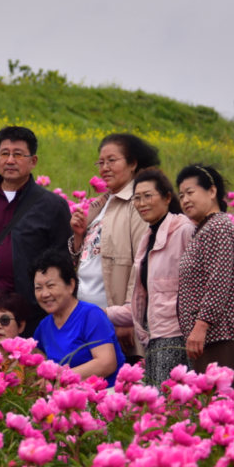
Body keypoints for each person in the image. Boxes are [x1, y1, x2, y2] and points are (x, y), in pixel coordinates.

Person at [0, 126, 73, 341]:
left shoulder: (53, 206)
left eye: (18, 154)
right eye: (4, 154)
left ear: (33, 161)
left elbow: (63, 264)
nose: (10, 160)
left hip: (32, 315)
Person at [69, 133, 159, 362]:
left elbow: (143, 264)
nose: (104, 168)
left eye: (112, 160)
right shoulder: (100, 204)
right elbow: (84, 260)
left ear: (133, 163)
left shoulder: (138, 203)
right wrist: (79, 237)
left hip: (112, 315)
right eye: (101, 162)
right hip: (87, 314)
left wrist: (127, 318)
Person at [105, 169, 194, 387]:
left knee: (172, 406)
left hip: (176, 338)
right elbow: (147, 302)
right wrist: (99, 313)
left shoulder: (184, 230)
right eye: (137, 197)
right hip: (152, 339)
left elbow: (200, 284)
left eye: (148, 196)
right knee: (158, 408)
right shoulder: (148, 237)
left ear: (167, 197)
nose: (141, 203)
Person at [175, 163, 234, 389]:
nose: (185, 200)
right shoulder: (206, 228)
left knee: (225, 405)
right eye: (181, 195)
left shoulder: (218, 227)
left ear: (211, 191)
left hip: (220, 334)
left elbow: (218, 283)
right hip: (212, 335)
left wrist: (200, 326)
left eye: (190, 192)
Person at [30, 248, 125, 386]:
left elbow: (107, 363)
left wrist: (59, 377)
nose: (44, 294)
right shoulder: (43, 327)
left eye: (51, 285)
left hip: (104, 398)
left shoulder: (91, 315)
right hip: (67, 401)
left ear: (71, 285)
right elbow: (37, 364)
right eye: (38, 288)